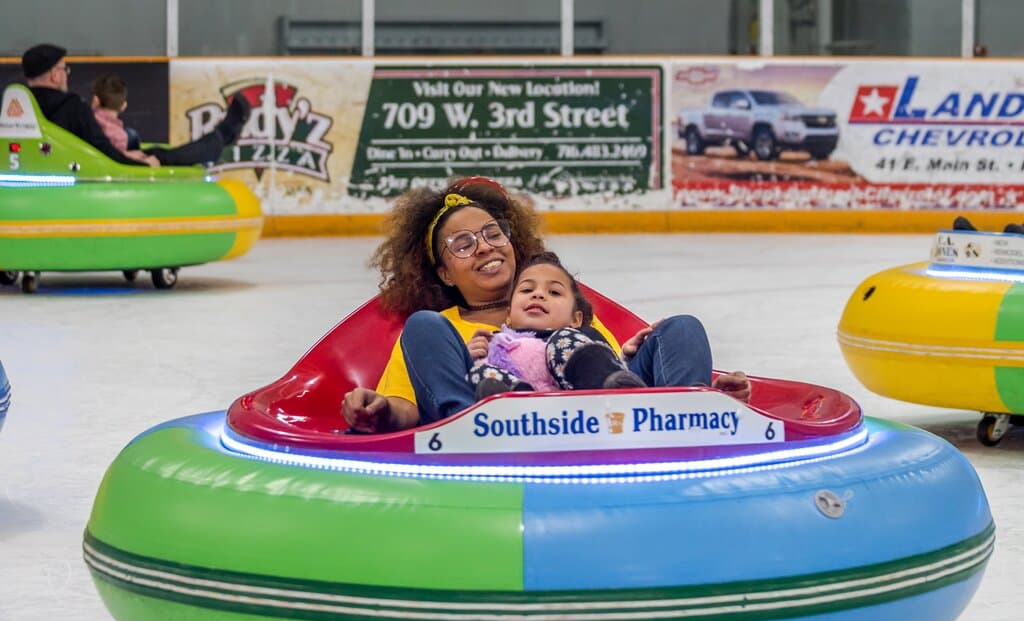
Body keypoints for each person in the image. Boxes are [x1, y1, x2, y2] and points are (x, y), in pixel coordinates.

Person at [341, 176, 751, 434]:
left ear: (512, 242)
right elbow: (406, 407)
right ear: (445, 273)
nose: (484, 246)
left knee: (681, 327)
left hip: (593, 422)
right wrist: (376, 412)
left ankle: (695, 416)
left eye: (492, 233)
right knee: (422, 324)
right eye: (463, 244)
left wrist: (652, 367)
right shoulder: (439, 332)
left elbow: (608, 367)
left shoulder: (553, 298)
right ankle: (470, 426)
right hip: (494, 430)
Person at [21, 43, 250, 168]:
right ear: (53, 75)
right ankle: (223, 134)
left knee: (149, 150)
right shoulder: (72, 106)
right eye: (64, 69)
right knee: (160, 155)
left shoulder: (26, 109)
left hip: (68, 164)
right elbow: (104, 151)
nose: (66, 75)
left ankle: (224, 135)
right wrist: (140, 166)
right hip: (94, 166)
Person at [467, 251, 646, 399]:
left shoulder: (577, 337)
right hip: (526, 418)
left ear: (575, 319)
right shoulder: (496, 343)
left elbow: (597, 361)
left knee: (564, 342)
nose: (538, 295)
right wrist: (469, 356)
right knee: (479, 371)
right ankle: (510, 401)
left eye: (554, 292)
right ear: (508, 316)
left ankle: (620, 394)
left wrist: (626, 360)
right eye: (527, 290)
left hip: (584, 409)